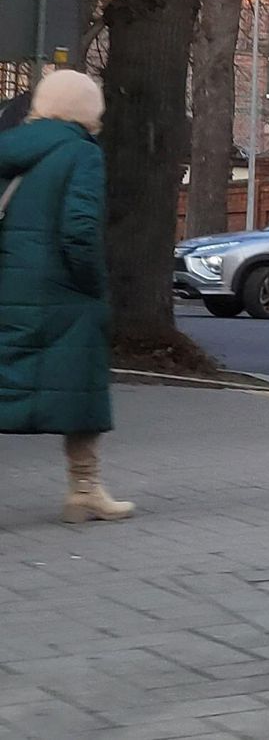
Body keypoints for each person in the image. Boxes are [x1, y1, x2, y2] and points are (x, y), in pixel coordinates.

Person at [0, 70, 134, 523]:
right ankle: (84, 490)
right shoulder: (81, 153)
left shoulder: (9, 149)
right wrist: (94, 286)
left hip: (8, 287)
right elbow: (79, 230)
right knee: (81, 390)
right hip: (63, 294)